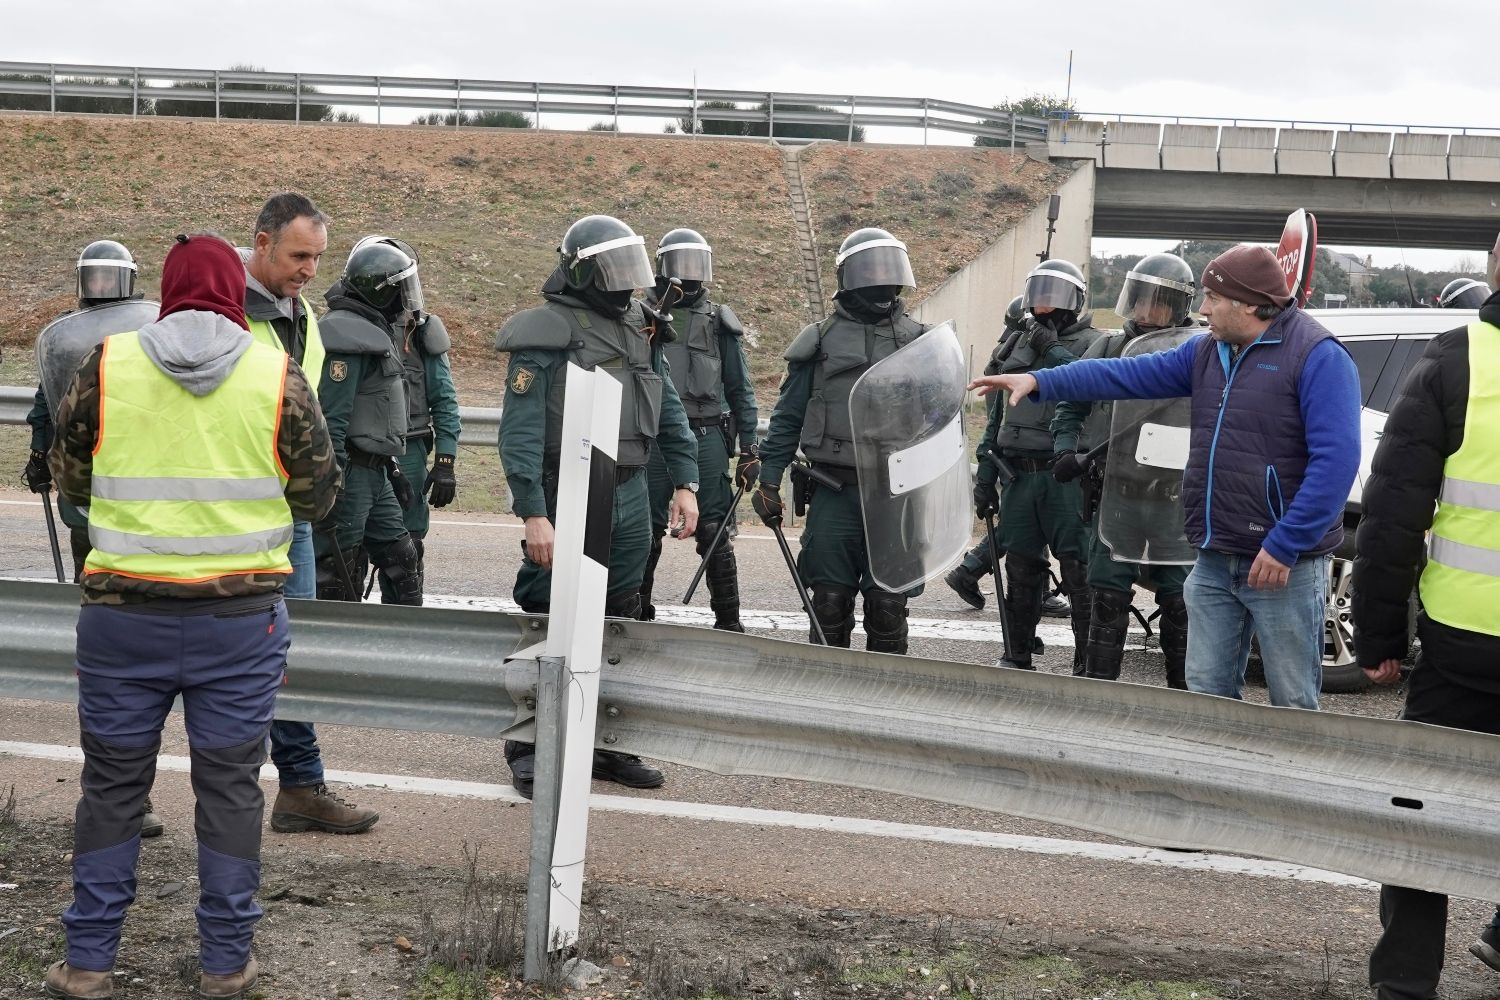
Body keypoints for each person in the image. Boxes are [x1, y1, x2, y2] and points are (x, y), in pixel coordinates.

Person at [43, 233, 338, 1000]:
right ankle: (224, 963)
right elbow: (317, 496)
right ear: (235, 294)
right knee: (232, 788)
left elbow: (67, 478)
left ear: (166, 292)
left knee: (111, 787)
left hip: (120, 619)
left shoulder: (108, 364)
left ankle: (87, 965)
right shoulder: (276, 375)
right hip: (239, 626)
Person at [973, 244, 1360, 709]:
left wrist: (1285, 543)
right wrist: (1041, 382)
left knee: (1292, 700)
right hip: (1215, 556)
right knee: (1206, 696)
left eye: (1214, 299)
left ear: (1248, 304)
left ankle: (1292, 782)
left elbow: (1335, 463)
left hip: (1282, 565)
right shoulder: (1208, 352)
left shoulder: (1318, 356)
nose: (1203, 309)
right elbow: (1126, 374)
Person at [496, 214, 700, 798]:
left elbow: (669, 408)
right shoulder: (549, 330)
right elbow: (522, 430)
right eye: (613, 269)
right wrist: (534, 511)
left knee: (622, 615)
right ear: (584, 271)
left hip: (632, 487)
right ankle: (530, 745)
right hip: (570, 486)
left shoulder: (640, 324)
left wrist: (685, 480)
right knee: (551, 613)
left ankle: (605, 743)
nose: (626, 283)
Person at [1353, 264, 1500, 999]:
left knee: (1421, 816)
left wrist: (1377, 639)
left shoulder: (1455, 359)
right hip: (1460, 645)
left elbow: (1392, 518)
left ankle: (1407, 983)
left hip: (1464, 647)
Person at [243, 192, 380, 836]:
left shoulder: (303, 316)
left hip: (289, 512)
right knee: (227, 655)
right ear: (262, 241)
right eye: (299, 255)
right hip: (233, 516)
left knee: (285, 651)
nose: (308, 270)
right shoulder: (225, 313)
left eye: (318, 259)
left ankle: (299, 785)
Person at [752, 227, 930, 652]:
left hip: (895, 491)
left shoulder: (921, 340)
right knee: (829, 604)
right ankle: (823, 701)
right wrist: (769, 480)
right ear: (848, 276)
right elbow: (788, 416)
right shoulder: (819, 340)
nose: (881, 280)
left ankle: (883, 706)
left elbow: (940, 420)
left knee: (888, 604)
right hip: (834, 488)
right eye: (871, 270)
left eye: (889, 270)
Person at [1050, 253, 1196, 686]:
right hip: (1118, 496)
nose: (1147, 312)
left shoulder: (1196, 352)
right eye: (1142, 300)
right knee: (1108, 598)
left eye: (1159, 303)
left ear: (1179, 307)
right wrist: (1064, 451)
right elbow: (1069, 406)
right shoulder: (1110, 347)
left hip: (1173, 501)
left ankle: (1184, 698)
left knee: (1180, 602)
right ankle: (1100, 692)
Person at [973, 260, 1101, 672]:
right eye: (1038, 294)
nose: (1045, 305)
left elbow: (1091, 382)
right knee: (1022, 567)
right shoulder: (1016, 345)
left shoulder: (1093, 343)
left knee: (1079, 571)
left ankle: (1088, 660)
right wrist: (986, 473)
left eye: (1054, 295)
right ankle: (1017, 651)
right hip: (1019, 475)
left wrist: (1050, 347)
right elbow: (996, 415)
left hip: (1067, 477)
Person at [638, 227, 759, 630]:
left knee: (715, 533)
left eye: (696, 265)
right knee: (641, 533)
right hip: (651, 439)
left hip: (707, 436)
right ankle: (635, 616)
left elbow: (740, 388)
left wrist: (750, 449)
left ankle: (729, 622)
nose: (689, 275)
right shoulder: (639, 318)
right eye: (680, 264)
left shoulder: (718, 321)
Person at [943, 293, 1071, 621]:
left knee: (1026, 526)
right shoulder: (1010, 360)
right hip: (1013, 456)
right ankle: (970, 570)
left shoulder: (1008, 356)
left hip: (1019, 457)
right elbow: (997, 423)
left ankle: (1033, 589)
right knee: (1018, 527)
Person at [314, 237, 424, 609]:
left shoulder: (369, 329)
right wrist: (333, 485)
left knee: (403, 558)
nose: (405, 298)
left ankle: (401, 646)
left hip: (377, 471)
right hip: (352, 474)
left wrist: (392, 468)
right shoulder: (346, 336)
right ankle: (337, 652)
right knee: (338, 569)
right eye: (399, 289)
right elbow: (332, 419)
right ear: (379, 291)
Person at [354, 236, 463, 606]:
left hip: (411, 449)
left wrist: (445, 461)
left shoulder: (421, 331)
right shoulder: (343, 327)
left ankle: (403, 629)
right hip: (358, 453)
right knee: (348, 549)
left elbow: (445, 399)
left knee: (407, 552)